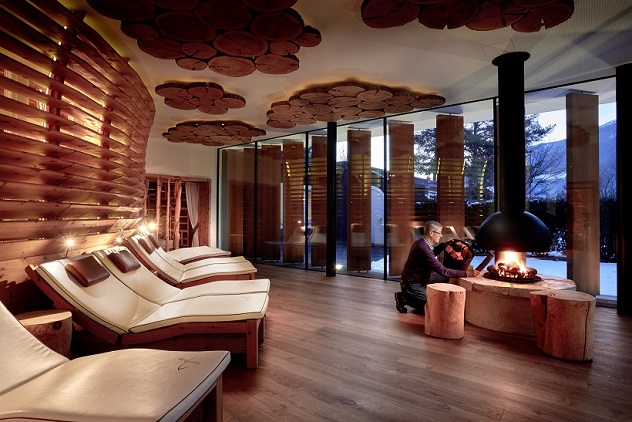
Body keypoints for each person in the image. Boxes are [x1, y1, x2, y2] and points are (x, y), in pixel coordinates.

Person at [395, 220, 480, 313]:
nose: (441, 236)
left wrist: (443, 245)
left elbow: (431, 254)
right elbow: (442, 270)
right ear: (431, 233)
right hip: (411, 284)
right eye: (439, 233)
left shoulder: (422, 243)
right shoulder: (422, 248)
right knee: (436, 305)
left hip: (421, 280)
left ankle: (414, 295)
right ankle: (404, 297)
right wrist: (467, 273)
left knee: (446, 278)